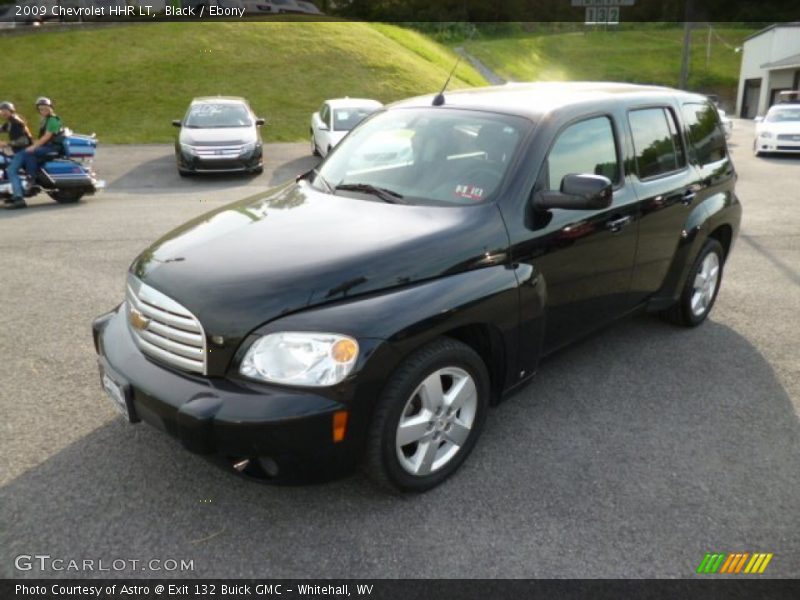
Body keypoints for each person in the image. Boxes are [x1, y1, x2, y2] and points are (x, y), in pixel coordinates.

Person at [21, 96, 66, 199]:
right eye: (41, 109)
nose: (43, 110)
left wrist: (33, 147)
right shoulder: (45, 120)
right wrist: (31, 143)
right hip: (48, 146)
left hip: (53, 148)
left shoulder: (53, 120)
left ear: (51, 108)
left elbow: (47, 137)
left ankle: (31, 179)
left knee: (29, 153)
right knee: (27, 151)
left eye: (45, 108)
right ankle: (36, 177)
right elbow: (41, 138)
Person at [0, 101, 33, 209]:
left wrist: (6, 143)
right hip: (20, 151)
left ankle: (19, 199)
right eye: (2, 110)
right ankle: (14, 194)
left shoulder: (16, 122)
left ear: (11, 110)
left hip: (23, 151)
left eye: (5, 110)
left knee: (11, 170)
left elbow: (24, 140)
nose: (3, 112)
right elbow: (2, 128)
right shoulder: (10, 121)